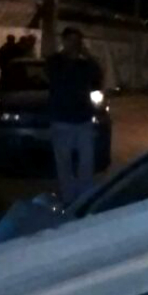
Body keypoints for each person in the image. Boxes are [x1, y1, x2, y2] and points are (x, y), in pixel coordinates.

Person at [46, 27, 103, 203]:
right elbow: (55, 78)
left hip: (83, 119)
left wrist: (88, 56)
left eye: (77, 41)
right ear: (64, 41)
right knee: (64, 164)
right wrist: (70, 57)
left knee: (86, 162)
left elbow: (98, 76)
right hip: (62, 120)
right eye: (70, 40)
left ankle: (85, 197)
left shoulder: (84, 64)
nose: (74, 44)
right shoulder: (55, 61)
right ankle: (69, 198)